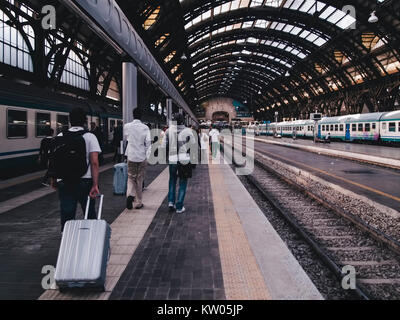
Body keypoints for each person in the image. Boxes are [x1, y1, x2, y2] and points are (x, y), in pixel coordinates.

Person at [50, 108, 101, 232]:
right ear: (85, 121)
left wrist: (54, 180)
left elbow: (54, 161)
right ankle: (91, 240)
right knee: (89, 213)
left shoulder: (60, 136)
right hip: (85, 181)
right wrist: (95, 184)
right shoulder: (90, 136)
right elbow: (94, 162)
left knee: (67, 215)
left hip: (65, 181)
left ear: (70, 121)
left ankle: (67, 242)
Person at [162, 113, 195, 214]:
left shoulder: (168, 131)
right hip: (184, 159)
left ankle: (171, 202)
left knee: (172, 180)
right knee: (182, 182)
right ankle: (179, 207)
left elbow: (163, 145)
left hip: (172, 159)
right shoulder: (188, 131)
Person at [124, 108, 151, 210]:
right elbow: (148, 143)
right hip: (141, 156)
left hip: (131, 156)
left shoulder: (127, 126)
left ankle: (130, 194)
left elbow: (127, 138)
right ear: (141, 116)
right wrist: (147, 157)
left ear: (133, 115)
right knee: (139, 179)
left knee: (131, 177)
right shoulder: (145, 128)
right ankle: (138, 202)